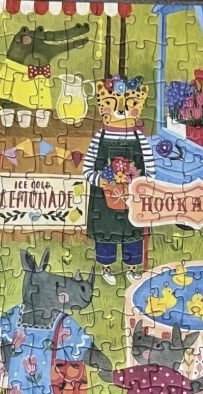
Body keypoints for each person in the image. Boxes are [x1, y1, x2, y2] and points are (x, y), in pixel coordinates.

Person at [83, 75, 155, 286]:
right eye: (112, 104)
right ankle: (106, 267)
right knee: (106, 232)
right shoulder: (100, 137)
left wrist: (142, 184)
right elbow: (87, 168)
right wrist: (100, 180)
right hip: (103, 196)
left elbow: (150, 168)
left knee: (133, 232)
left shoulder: (140, 138)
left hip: (133, 195)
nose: (121, 111)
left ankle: (132, 268)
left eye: (128, 105)